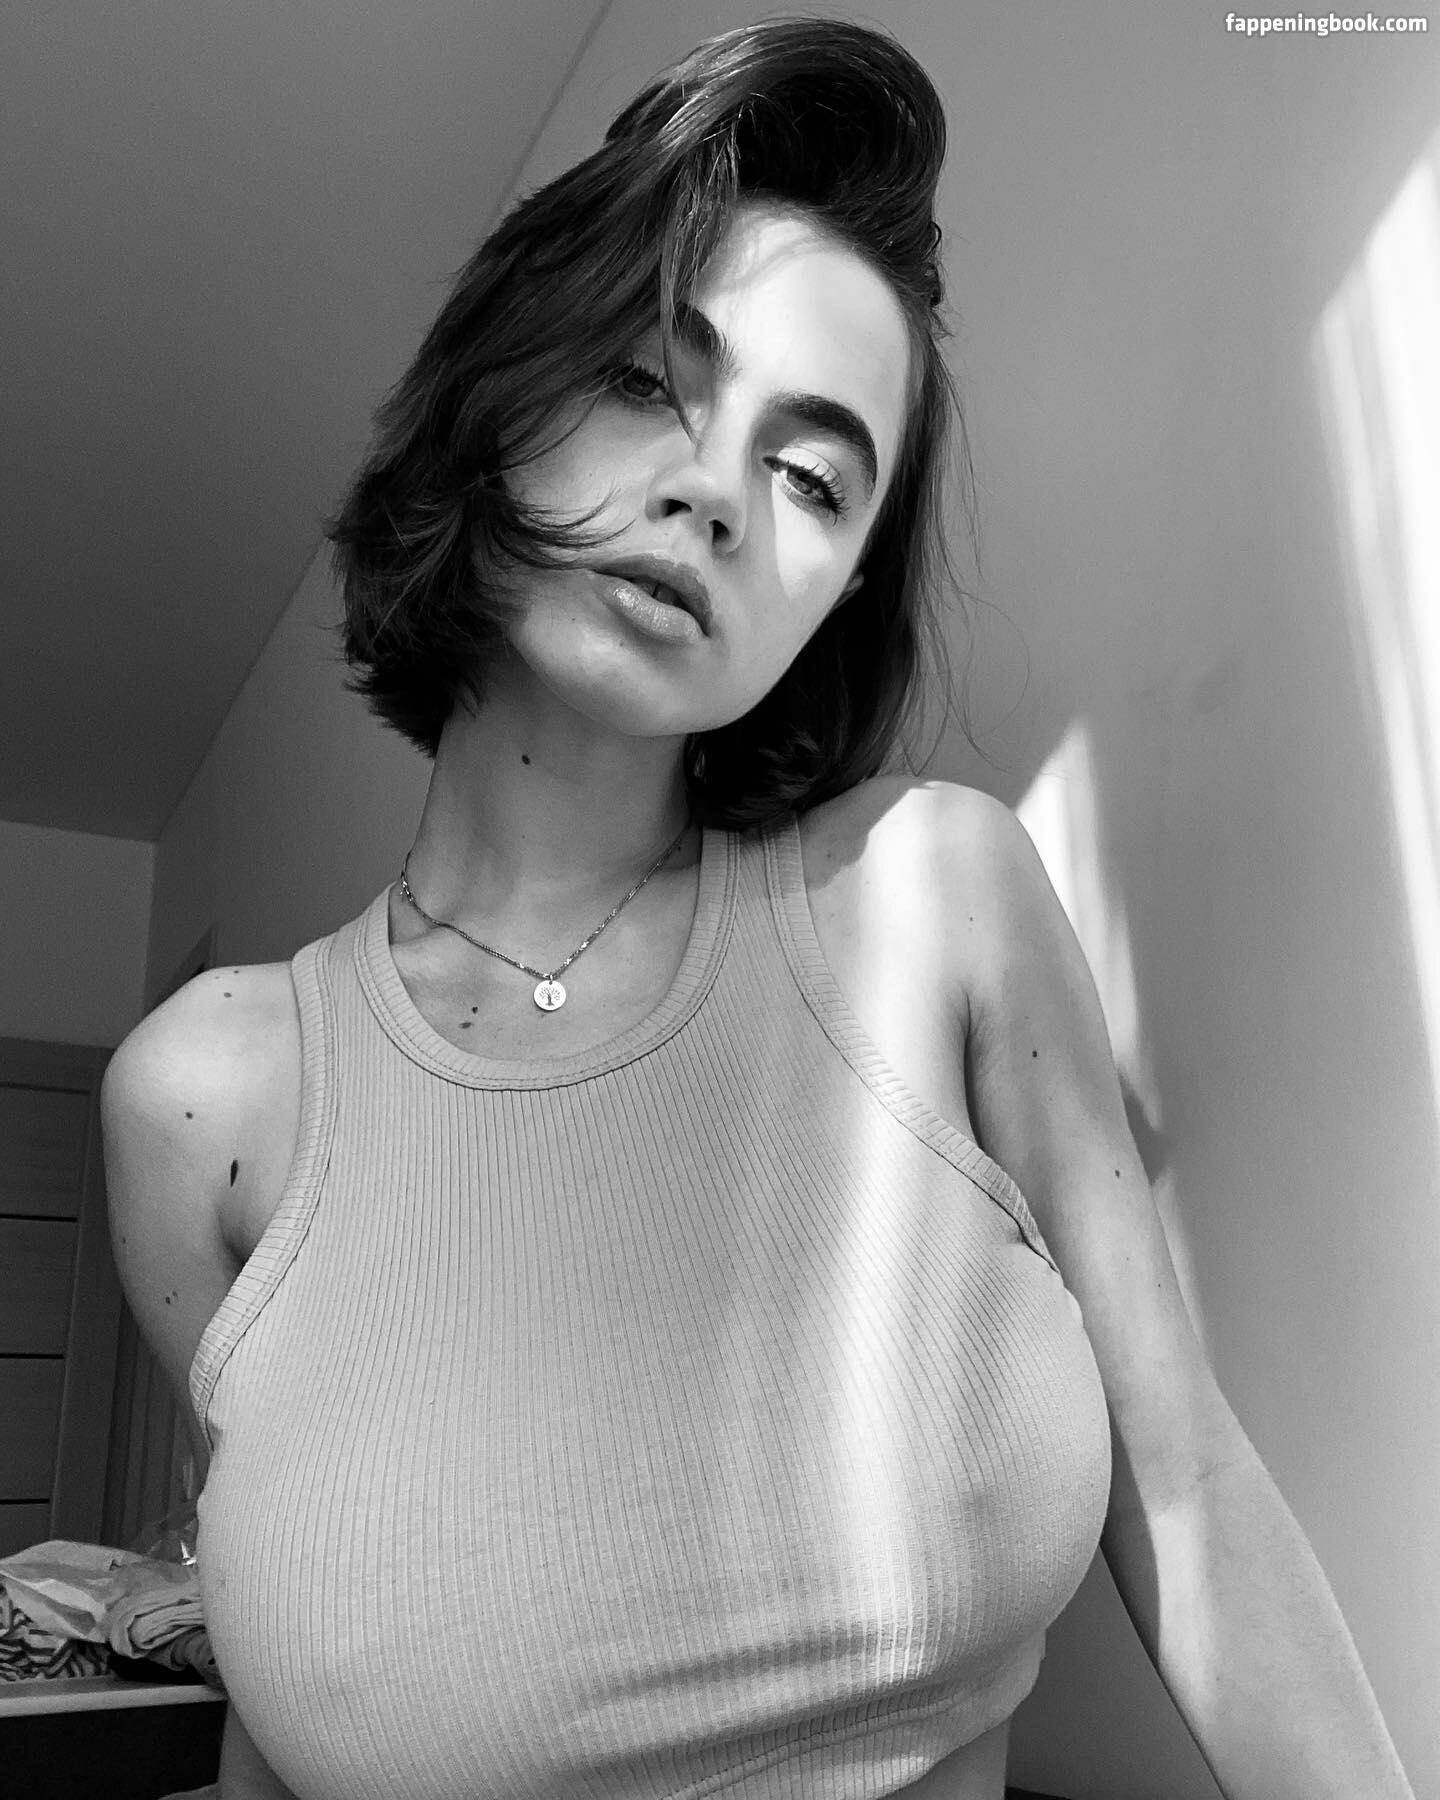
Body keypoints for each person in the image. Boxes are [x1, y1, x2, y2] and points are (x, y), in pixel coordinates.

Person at [103, 19, 1415, 1800]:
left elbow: (1182, 1489)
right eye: (652, 379)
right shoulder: (205, 1101)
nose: (715, 493)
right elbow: (295, 1669)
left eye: (811, 478)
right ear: (504, 390)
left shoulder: (934, 897)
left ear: (838, 589)